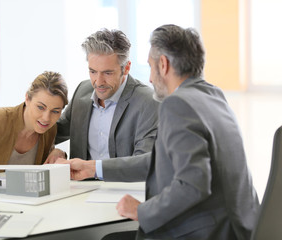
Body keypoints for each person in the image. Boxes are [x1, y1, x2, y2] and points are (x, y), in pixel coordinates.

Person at [57, 25, 259, 240]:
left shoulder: (178, 104)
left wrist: (141, 211)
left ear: (163, 64)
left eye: (151, 67)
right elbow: (160, 161)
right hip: (238, 227)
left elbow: (193, 184)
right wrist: (92, 167)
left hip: (207, 232)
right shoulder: (212, 94)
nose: (151, 79)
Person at [45, 29, 159, 164]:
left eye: (108, 73)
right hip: (80, 185)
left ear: (126, 68)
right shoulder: (82, 91)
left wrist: (92, 169)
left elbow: (143, 162)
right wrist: (56, 151)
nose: (98, 82)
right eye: (93, 71)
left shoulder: (148, 102)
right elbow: (52, 133)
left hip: (124, 185)